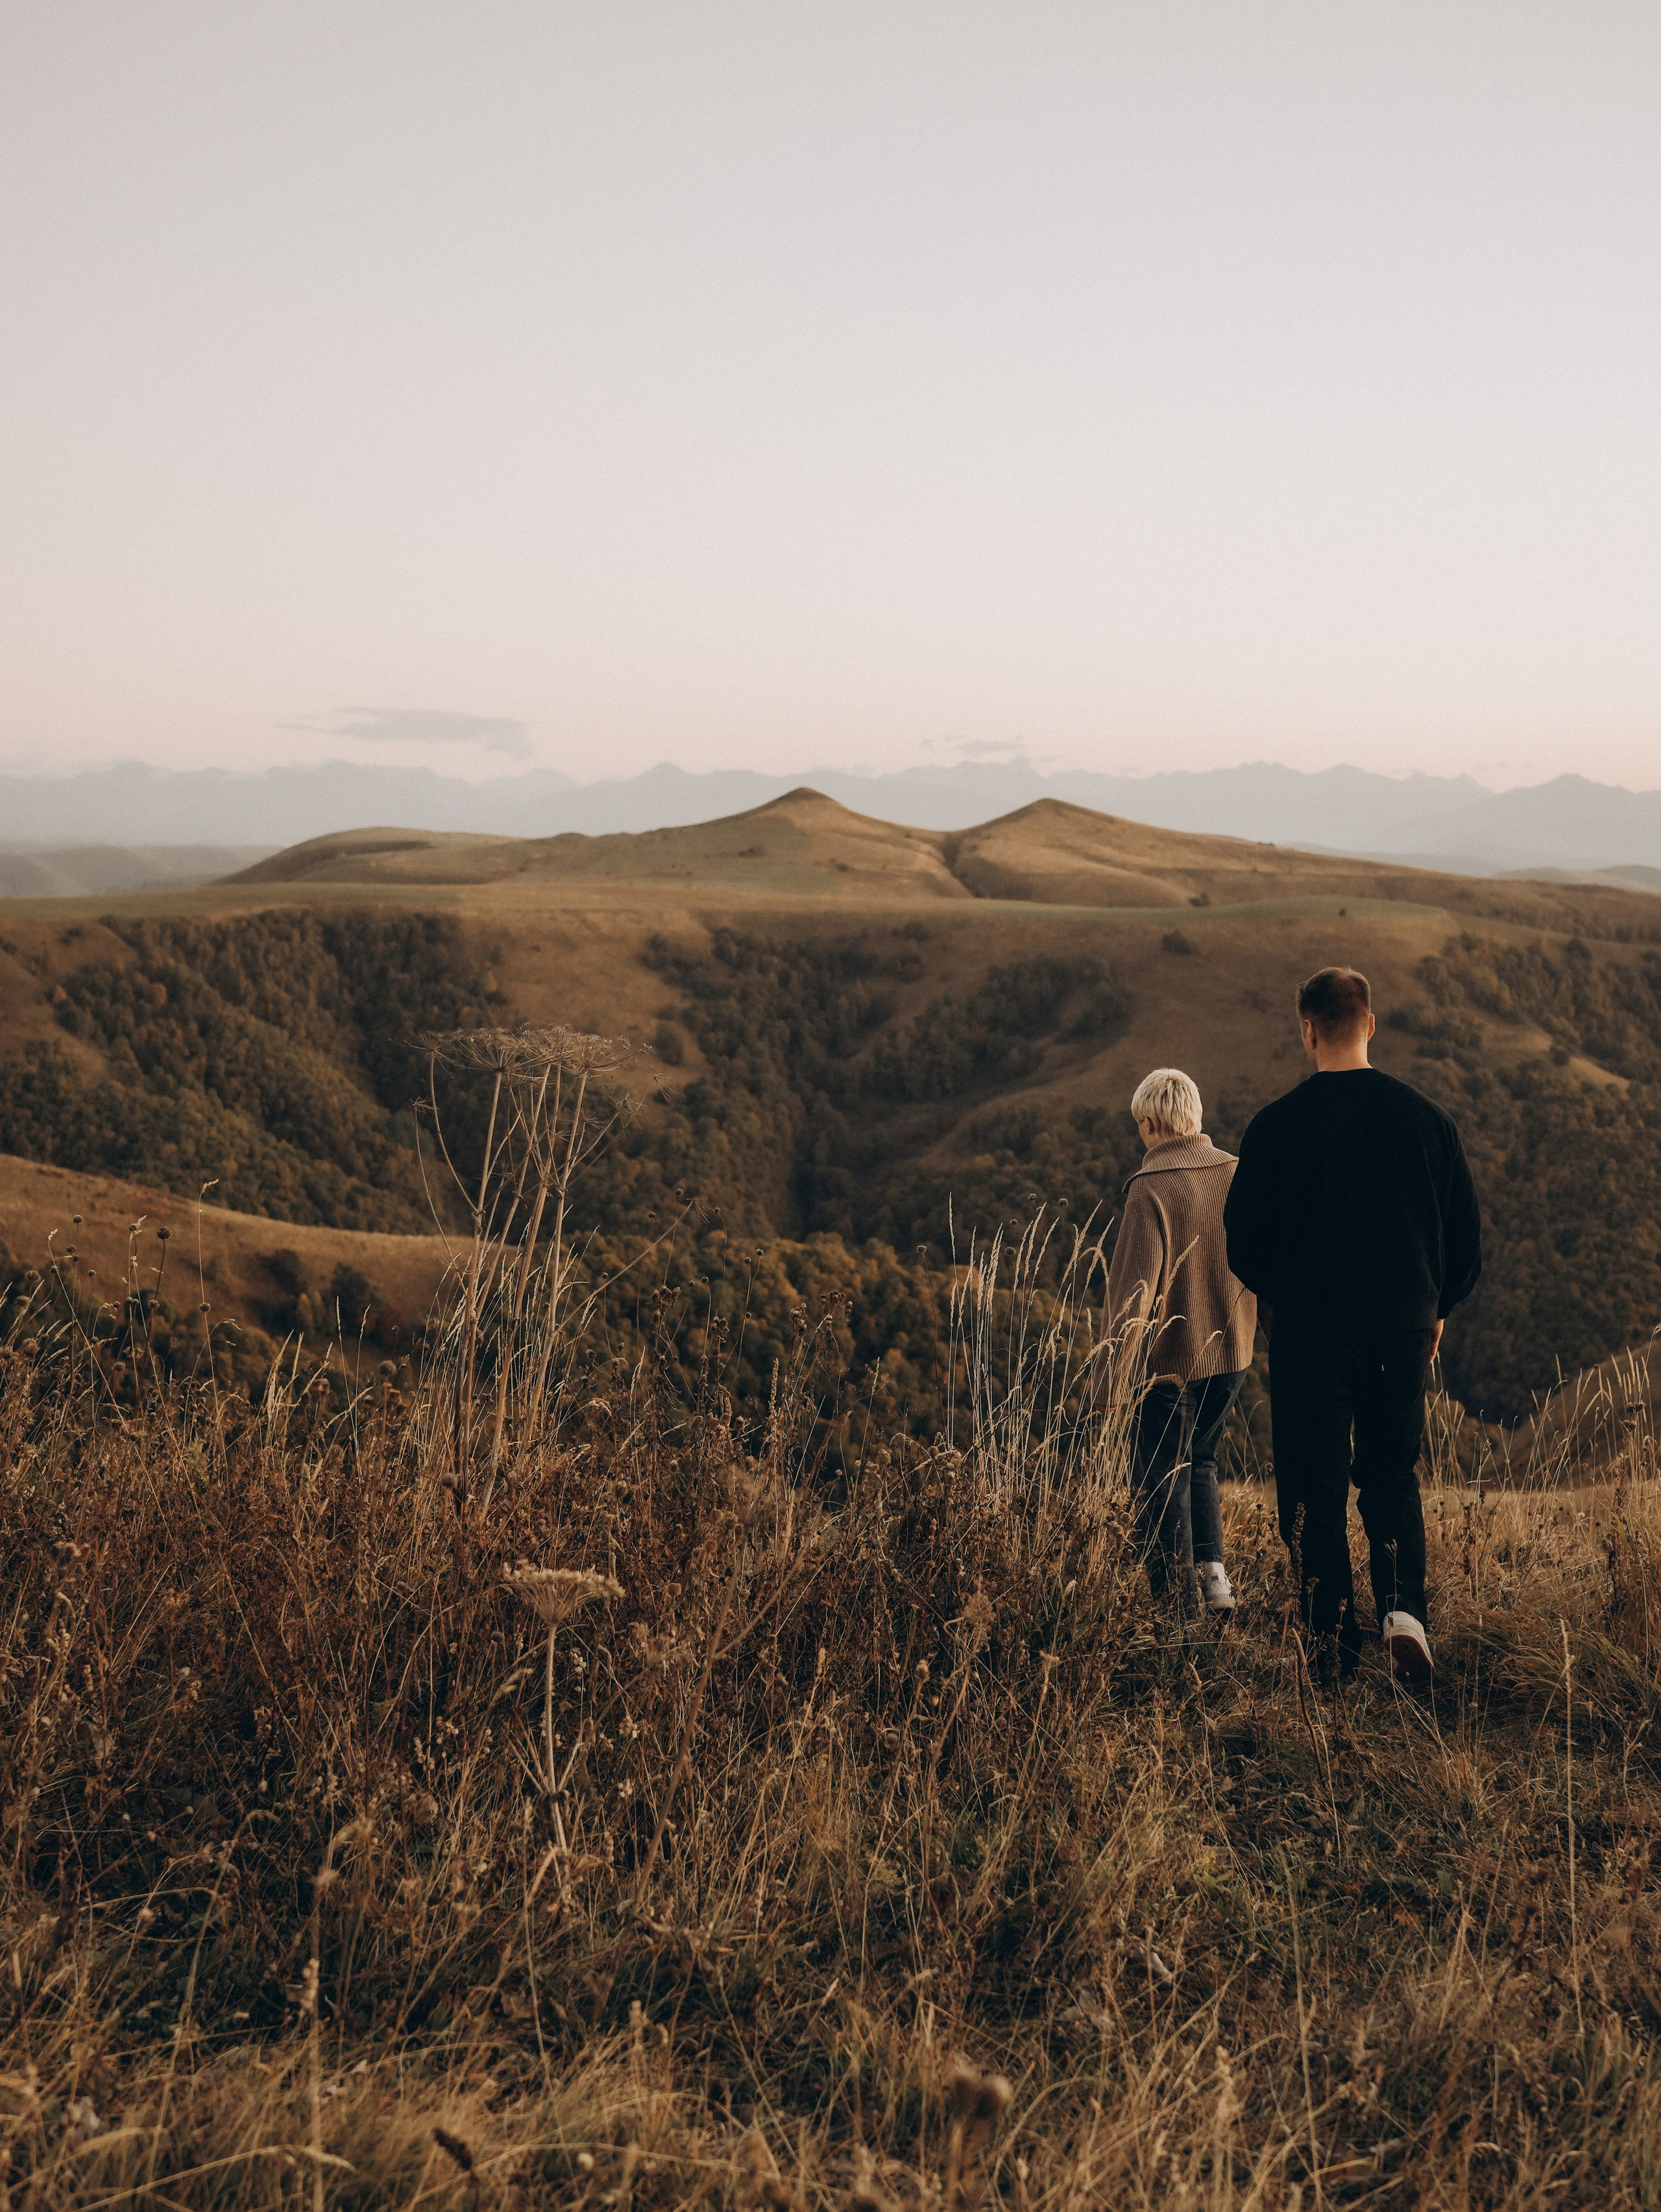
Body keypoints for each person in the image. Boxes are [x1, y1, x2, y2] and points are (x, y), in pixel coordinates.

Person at [1223, 966, 1482, 1683]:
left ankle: (1332, 1643)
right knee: (1390, 1473)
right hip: (1402, 1329)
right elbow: (1464, 1239)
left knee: (1312, 1486)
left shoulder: (1275, 1126)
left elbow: (1242, 1240)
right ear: (1371, 1024)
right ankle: (1403, 1613)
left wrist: (1280, 1303)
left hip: (1310, 1331)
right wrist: (1437, 1307)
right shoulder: (1429, 1121)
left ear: (1307, 1030)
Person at [1102, 1067, 1257, 1620]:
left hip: (1169, 1364)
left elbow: (1133, 1295)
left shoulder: (1150, 1189)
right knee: (1203, 1460)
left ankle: (1176, 1611)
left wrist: (1110, 1382)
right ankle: (1214, 1581)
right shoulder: (1239, 1172)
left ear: (1148, 1123)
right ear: (1194, 1115)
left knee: (1159, 1476)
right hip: (1233, 1352)